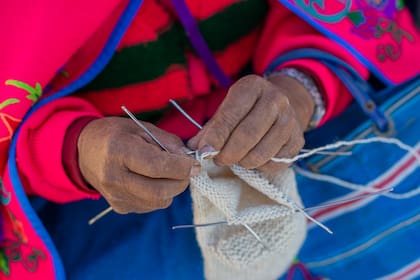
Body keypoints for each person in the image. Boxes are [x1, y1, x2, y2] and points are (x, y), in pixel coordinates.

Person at [0, 0, 418, 279]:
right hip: (108, 217)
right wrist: (75, 149)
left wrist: (300, 87)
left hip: (315, 139)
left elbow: (344, 16)